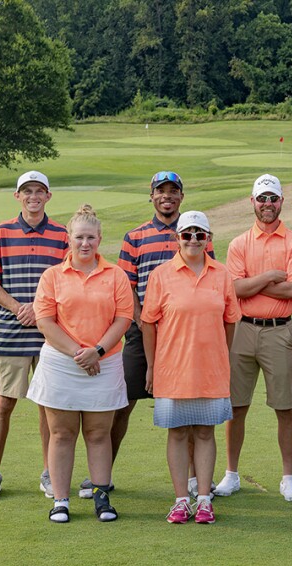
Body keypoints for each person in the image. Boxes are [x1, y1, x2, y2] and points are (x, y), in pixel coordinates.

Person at [77, 171, 215, 499]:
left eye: (173, 191)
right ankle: (102, 474)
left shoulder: (194, 232)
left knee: (191, 409)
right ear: (151, 196)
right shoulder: (135, 236)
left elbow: (208, 278)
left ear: (181, 196)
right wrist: (143, 320)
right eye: (160, 191)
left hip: (186, 337)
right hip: (142, 334)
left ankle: (197, 481)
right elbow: (126, 285)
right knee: (122, 403)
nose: (167, 196)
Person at [27, 205, 133, 523]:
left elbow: (123, 318)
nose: (84, 243)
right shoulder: (52, 277)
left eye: (90, 237)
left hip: (105, 362)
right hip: (61, 364)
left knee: (99, 433)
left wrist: (97, 351)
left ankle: (102, 497)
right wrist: (79, 353)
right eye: (79, 238)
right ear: (68, 240)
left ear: (99, 239)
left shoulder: (115, 275)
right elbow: (45, 322)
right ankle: (61, 500)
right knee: (61, 433)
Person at [215, 174, 292, 502]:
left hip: (279, 331)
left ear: (281, 201)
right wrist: (269, 277)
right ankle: (231, 475)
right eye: (262, 199)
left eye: (273, 198)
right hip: (242, 329)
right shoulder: (240, 243)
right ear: (252, 202)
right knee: (236, 406)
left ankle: (288, 477)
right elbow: (234, 288)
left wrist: (251, 282)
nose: (267, 204)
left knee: (284, 407)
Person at [141, 211, 240, 524]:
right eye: (187, 234)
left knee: (205, 431)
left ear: (208, 239)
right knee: (178, 432)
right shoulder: (161, 275)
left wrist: (219, 355)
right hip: (172, 368)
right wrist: (152, 366)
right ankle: (182, 499)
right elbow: (148, 323)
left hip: (210, 369)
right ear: (177, 238)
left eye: (200, 234)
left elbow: (230, 322)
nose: (194, 240)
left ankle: (204, 500)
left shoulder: (222, 274)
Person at [0, 170, 68, 500]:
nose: (33, 196)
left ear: (48, 196)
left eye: (39, 191)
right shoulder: (1, 233)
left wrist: (39, 309)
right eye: (27, 191)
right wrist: (19, 308)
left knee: (48, 406)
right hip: (11, 332)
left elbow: (67, 280)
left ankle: (48, 473)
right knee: (5, 403)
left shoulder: (62, 235)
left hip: (50, 334)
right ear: (17, 196)